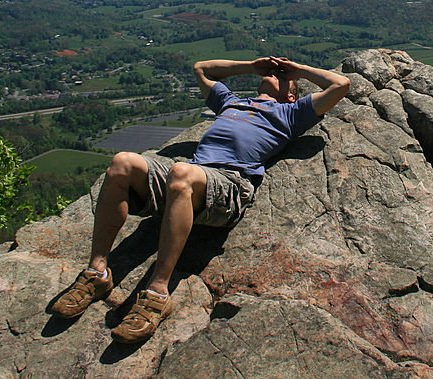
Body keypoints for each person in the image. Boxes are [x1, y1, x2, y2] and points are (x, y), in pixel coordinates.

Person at [49, 56, 350, 343]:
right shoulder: (231, 102)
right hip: (191, 179)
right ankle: (97, 271)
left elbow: (340, 85)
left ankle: (156, 294)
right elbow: (201, 68)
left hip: (230, 185)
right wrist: (251, 66)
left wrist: (295, 69)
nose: (276, 74)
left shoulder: (291, 114)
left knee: (181, 174)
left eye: (283, 78)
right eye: (273, 73)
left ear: (291, 96)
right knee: (122, 162)